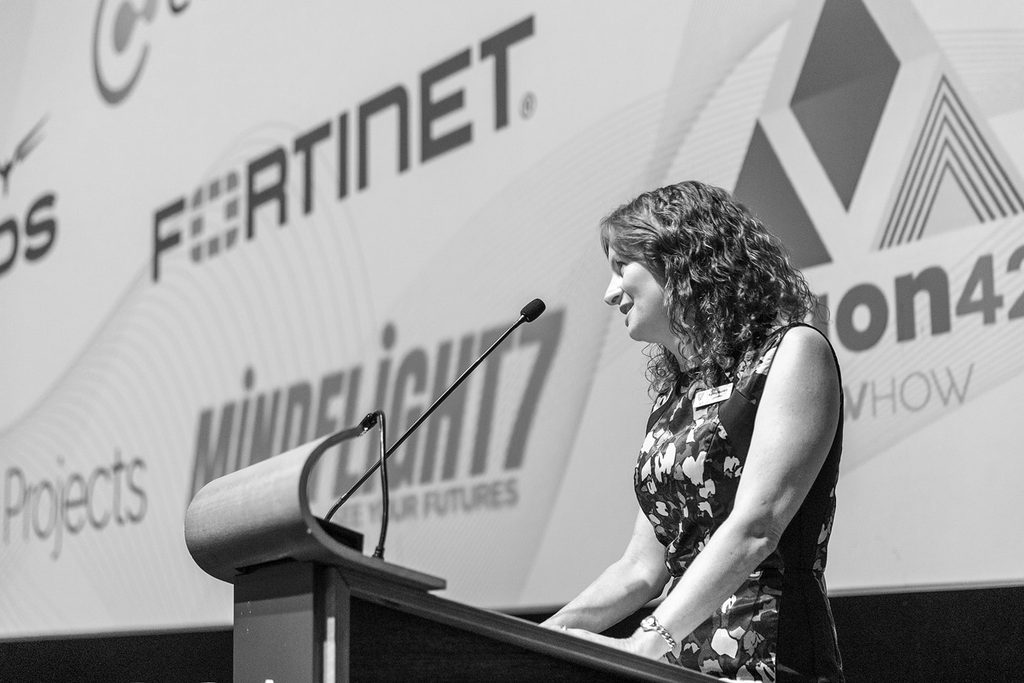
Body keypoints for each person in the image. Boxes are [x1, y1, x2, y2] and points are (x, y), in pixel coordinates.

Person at [542, 180, 844, 681]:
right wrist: (543, 635)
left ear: (680, 262)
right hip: (680, 661)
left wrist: (646, 642)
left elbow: (756, 529)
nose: (610, 293)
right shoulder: (675, 397)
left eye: (622, 266)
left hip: (771, 655)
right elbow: (641, 569)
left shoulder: (793, 353)